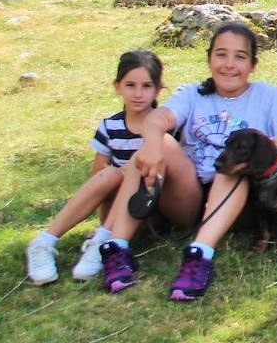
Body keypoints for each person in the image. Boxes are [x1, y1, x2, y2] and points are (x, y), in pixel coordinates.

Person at [99, 23, 277, 300]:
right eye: (221, 55)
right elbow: (158, 119)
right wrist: (152, 142)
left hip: (243, 201)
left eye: (240, 57)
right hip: (189, 196)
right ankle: (117, 247)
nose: (229, 65)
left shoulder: (271, 98)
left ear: (253, 64)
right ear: (209, 58)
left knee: (231, 167)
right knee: (158, 143)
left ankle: (200, 254)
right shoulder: (192, 93)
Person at [25, 51, 169, 285]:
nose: (139, 94)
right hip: (113, 204)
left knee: (134, 167)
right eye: (130, 85)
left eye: (146, 86)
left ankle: (104, 242)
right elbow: (98, 175)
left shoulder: (165, 127)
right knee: (112, 172)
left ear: (158, 89)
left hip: (147, 204)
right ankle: (44, 242)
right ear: (117, 86)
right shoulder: (110, 126)